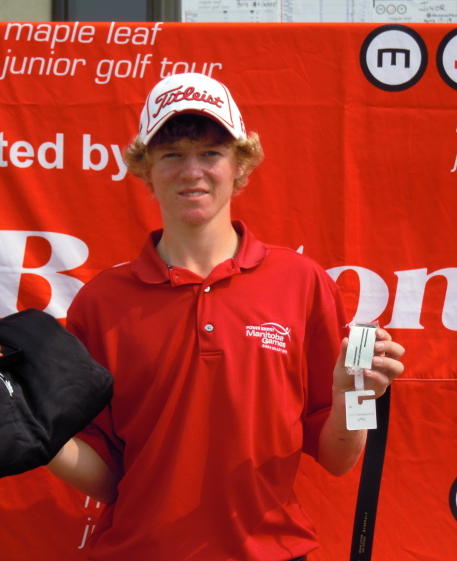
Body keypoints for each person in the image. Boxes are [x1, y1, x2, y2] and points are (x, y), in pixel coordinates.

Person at [47, 72, 405, 561]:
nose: (192, 171)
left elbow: (339, 459)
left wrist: (355, 397)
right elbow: (107, 477)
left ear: (240, 164)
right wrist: (36, 431)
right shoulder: (101, 302)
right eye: (171, 155)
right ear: (145, 169)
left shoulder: (302, 282)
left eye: (211, 153)